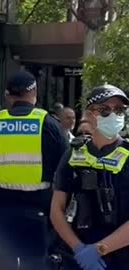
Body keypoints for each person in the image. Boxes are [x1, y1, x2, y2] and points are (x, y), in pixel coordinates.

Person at [0, 70, 68, 270]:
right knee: (36, 263)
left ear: (8, 95)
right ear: (34, 92)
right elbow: (64, 168)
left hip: (0, 207)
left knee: (0, 264)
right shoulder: (49, 124)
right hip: (39, 209)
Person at [50, 85, 129, 270]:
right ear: (90, 114)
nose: (114, 115)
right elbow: (56, 209)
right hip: (77, 255)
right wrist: (79, 248)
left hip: (121, 257)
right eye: (105, 110)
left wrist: (98, 250)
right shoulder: (73, 154)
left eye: (119, 110)